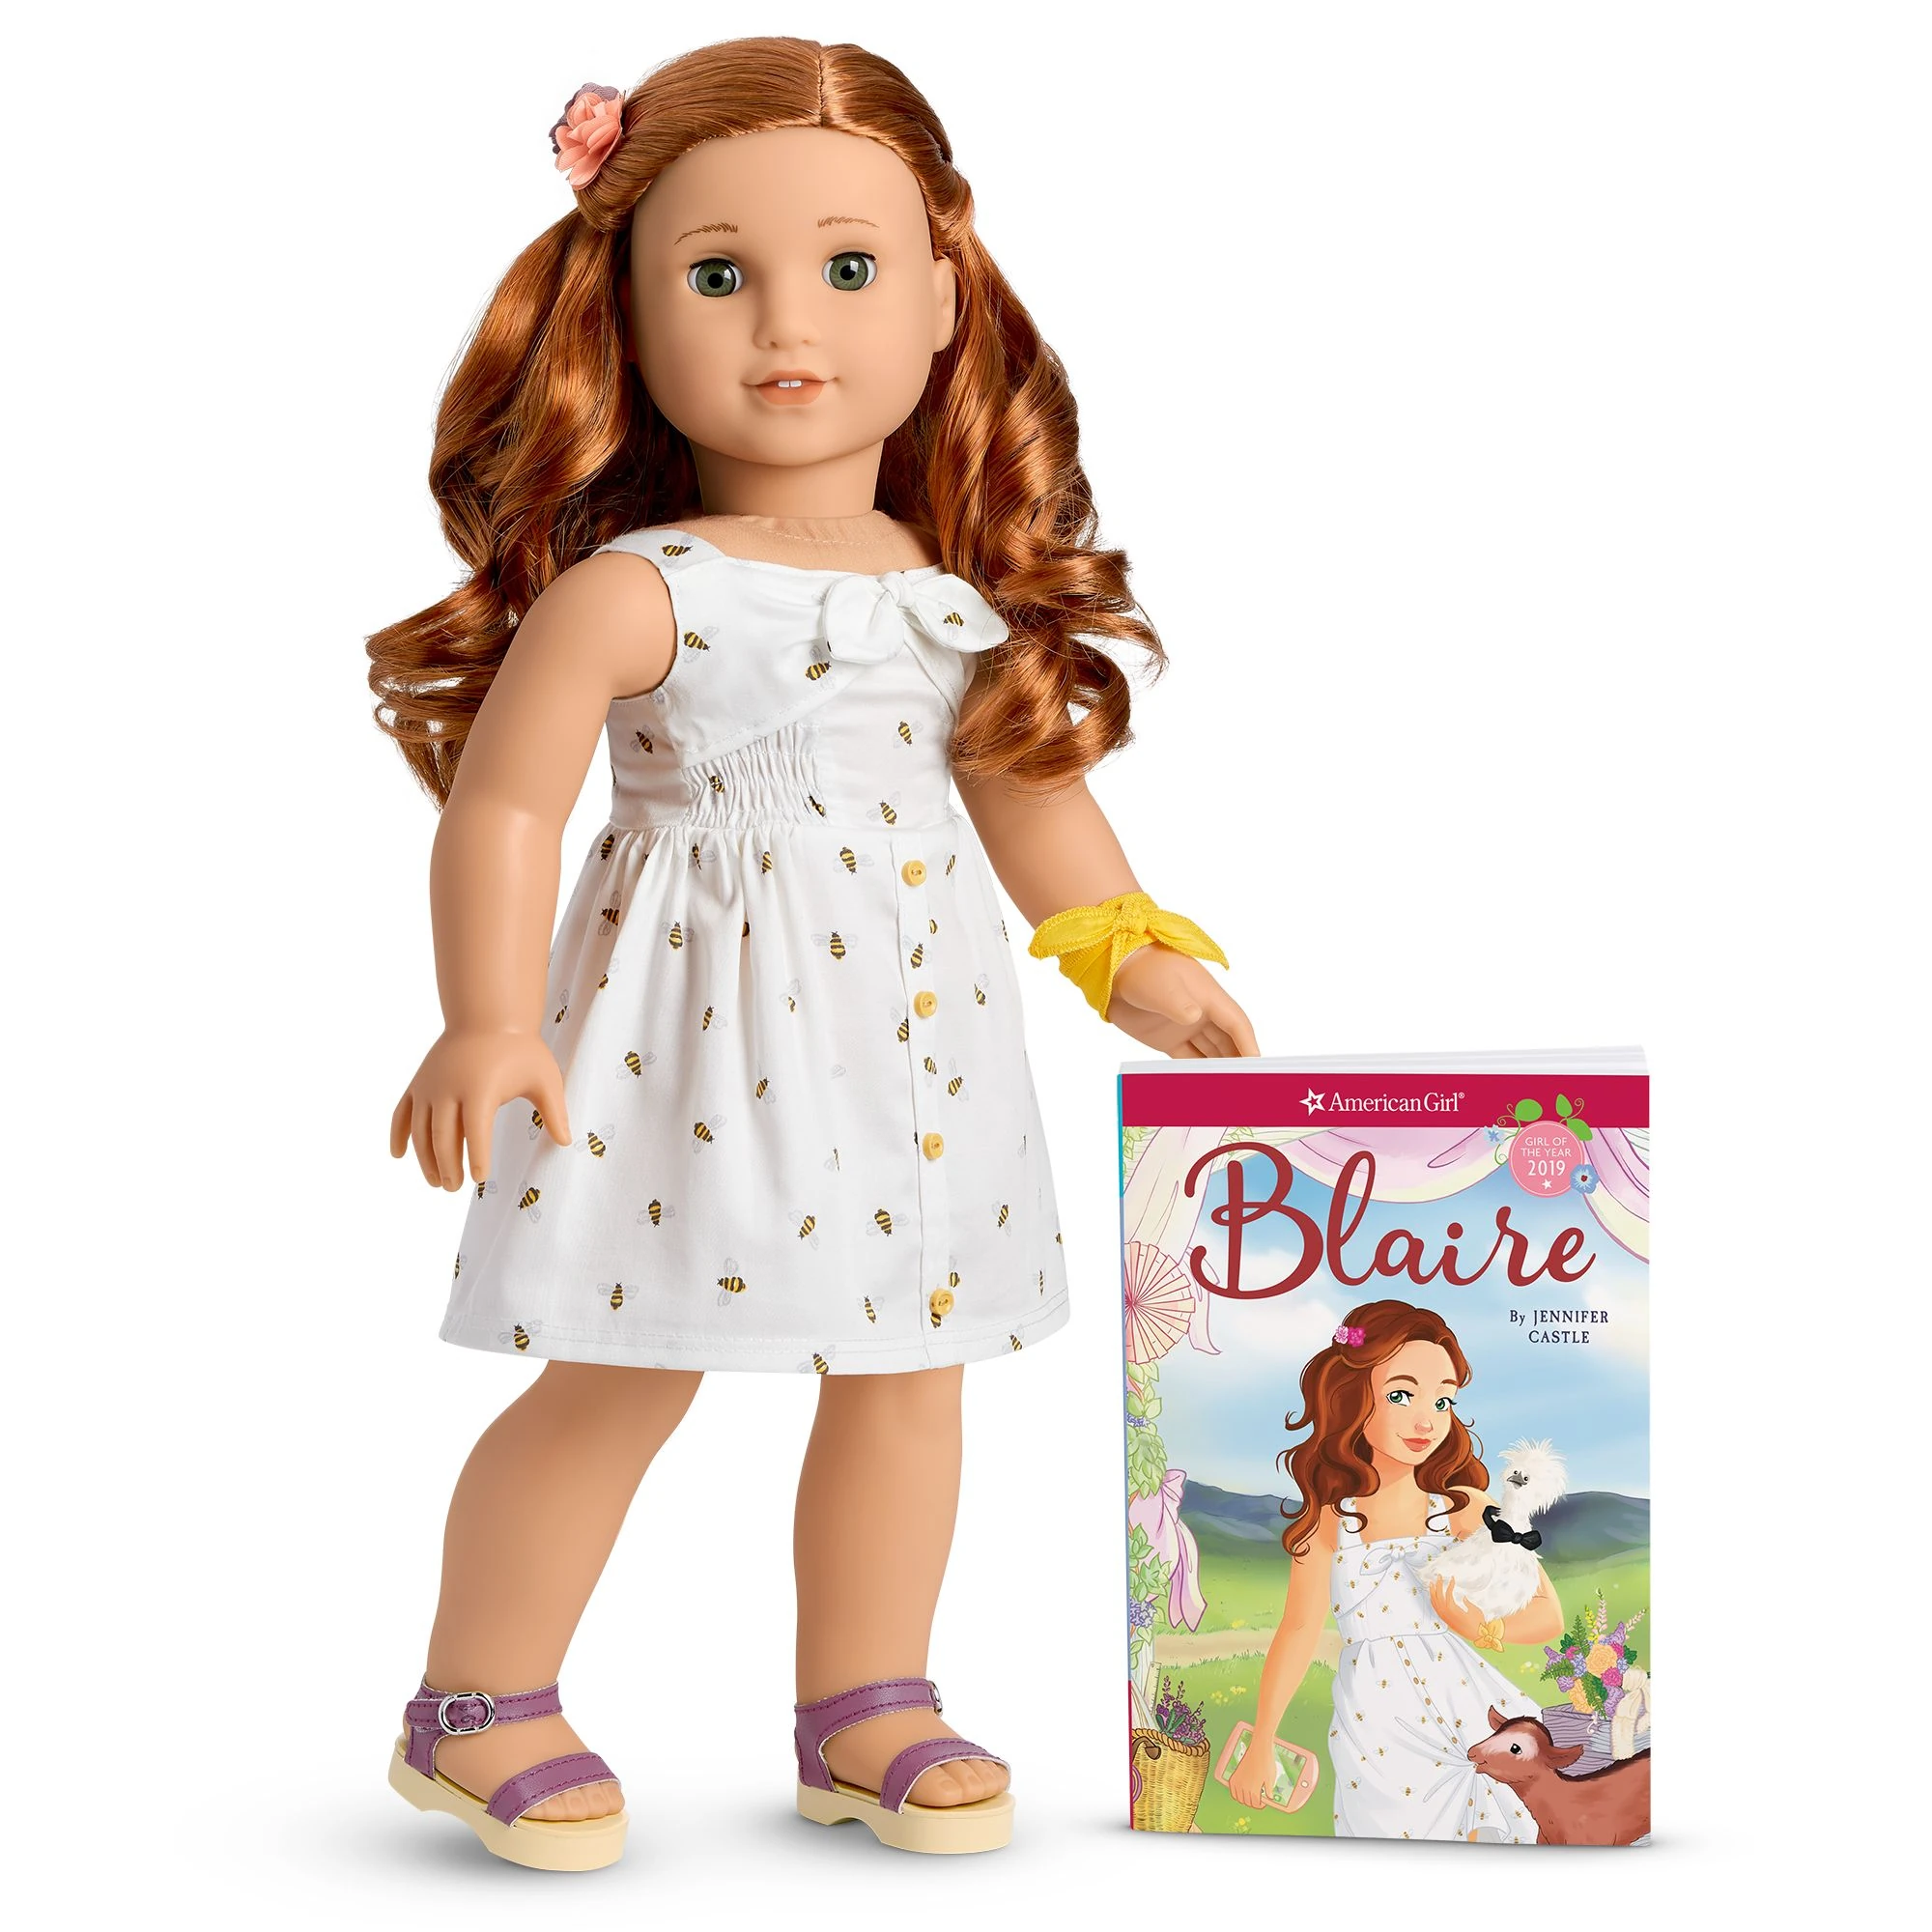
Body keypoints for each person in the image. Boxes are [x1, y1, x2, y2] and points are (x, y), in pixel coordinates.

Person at [366, 37, 1255, 1867]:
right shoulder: (640, 592)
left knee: (909, 1372)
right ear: (624, 317)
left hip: (915, 1055)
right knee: (624, 1365)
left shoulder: (948, 595)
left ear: (941, 297)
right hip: (677, 1057)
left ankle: (869, 1701)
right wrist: (484, 1018)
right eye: (718, 274)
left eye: (849, 267)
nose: (789, 323)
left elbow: (1030, 804)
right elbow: (508, 810)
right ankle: (478, 1701)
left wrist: (1130, 958)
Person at [1228, 1298, 1561, 1840]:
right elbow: (1298, 1629)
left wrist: (1478, 1626)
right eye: (1401, 1395)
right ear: (1353, 1400)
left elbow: (1547, 1613)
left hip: (1465, 1708)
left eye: (1443, 1400)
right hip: (1375, 1726)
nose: (1426, 1421)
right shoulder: (1329, 1523)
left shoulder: (1465, 1509)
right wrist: (1262, 1740)